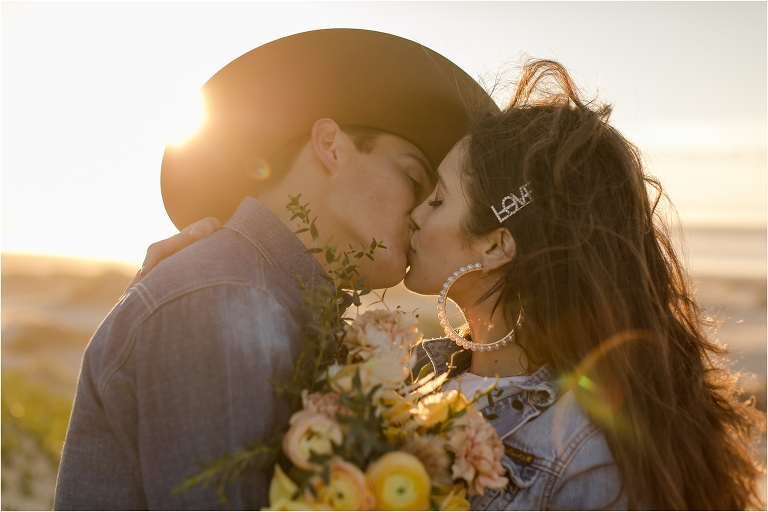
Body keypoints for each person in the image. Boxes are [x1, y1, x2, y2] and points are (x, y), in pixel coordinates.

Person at [146, 60, 765, 510]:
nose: (415, 215)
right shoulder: (416, 374)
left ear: (497, 243)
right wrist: (197, 280)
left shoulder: (587, 447)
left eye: (436, 198)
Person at [53, 29, 496, 509]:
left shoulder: (252, 295)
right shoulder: (225, 301)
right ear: (330, 145)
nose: (418, 215)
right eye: (413, 178)